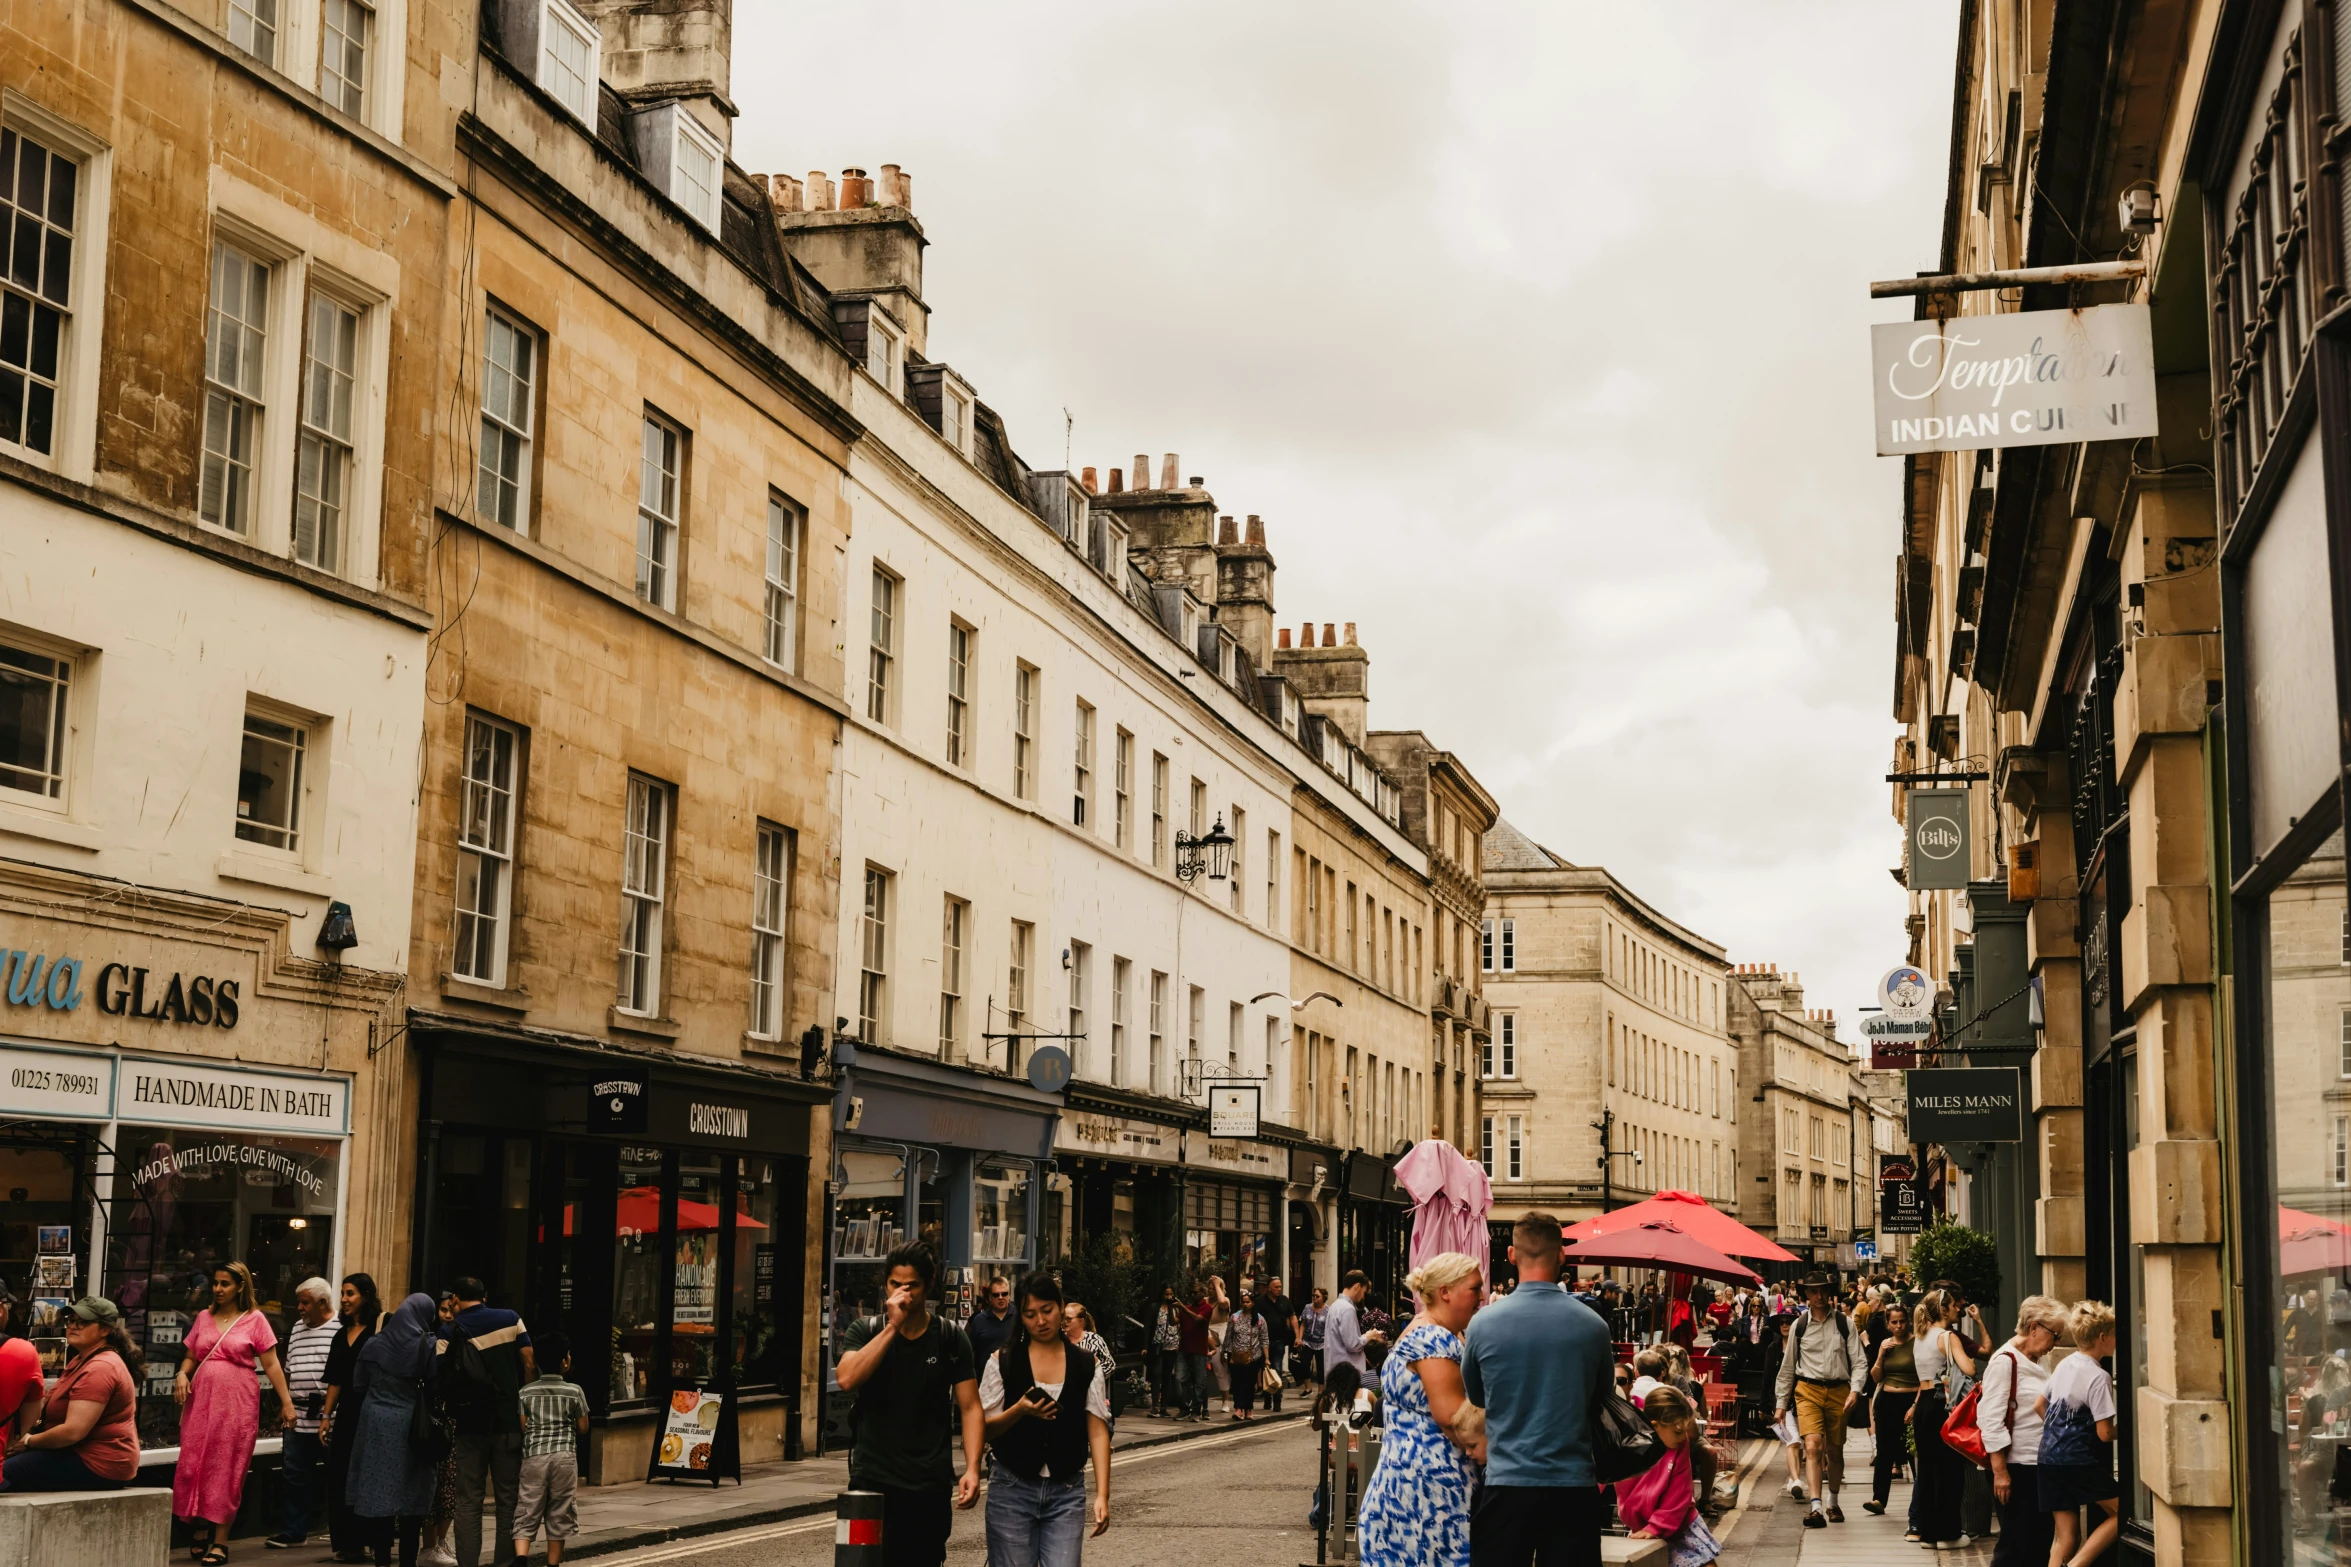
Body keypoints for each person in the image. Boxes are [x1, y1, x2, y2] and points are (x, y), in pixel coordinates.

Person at [1463, 1212, 1613, 1567]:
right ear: (1562, 1255)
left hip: (1507, 1483)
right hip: (1573, 1487)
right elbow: (1602, 1397)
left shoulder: (1482, 1324)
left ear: (1512, 1255)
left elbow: (1478, 1398)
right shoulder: (1594, 1326)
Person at [835, 1242, 984, 1567]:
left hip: (926, 1486)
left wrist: (972, 1468)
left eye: (911, 1285)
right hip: (871, 1482)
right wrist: (892, 1327)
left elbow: (971, 1407)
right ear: (885, 1284)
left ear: (928, 1285)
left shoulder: (949, 1337)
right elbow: (847, 1378)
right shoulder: (866, 1330)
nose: (903, 1292)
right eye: (895, 1284)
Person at [1355, 1251, 1482, 1567]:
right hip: (1434, 1492)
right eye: (1475, 1288)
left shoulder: (1421, 1328)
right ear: (1445, 1292)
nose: (1481, 1297)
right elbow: (1453, 1419)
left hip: (1404, 1481)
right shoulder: (1434, 1339)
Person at [978, 1272, 1111, 1566]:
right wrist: (1020, 1410)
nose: (1040, 1321)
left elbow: (1098, 1430)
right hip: (1011, 1489)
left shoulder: (1086, 1363)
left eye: (1047, 1310)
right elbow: (981, 1431)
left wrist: (1103, 1495)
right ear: (1020, 1317)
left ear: (1061, 1306)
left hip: (1066, 1492)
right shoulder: (1004, 1361)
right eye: (1030, 1314)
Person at [176, 1261, 296, 1564]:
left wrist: (286, 1402)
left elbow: (270, 1364)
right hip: (200, 1400)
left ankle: (220, 1541)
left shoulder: (255, 1320)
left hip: (237, 1402)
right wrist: (181, 1374)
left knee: (226, 1466)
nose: (217, 1289)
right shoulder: (204, 1317)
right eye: (215, 1283)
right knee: (194, 1462)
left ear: (240, 1286)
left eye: (224, 1284)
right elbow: (192, 1356)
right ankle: (199, 1524)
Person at [440, 1277, 533, 1567]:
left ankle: (468, 1563)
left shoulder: (448, 1331)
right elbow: (529, 1361)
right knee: (508, 1498)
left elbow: (439, 1377)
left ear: (455, 1298)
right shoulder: (511, 1319)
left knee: (468, 1499)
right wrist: (524, 1407)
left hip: (468, 1424)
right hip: (507, 1421)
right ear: (485, 1296)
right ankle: (504, 1563)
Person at [347, 1294, 445, 1567]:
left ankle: (381, 1561)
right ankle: (407, 1562)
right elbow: (436, 1384)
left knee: (380, 1495)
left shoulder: (373, 1344)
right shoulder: (427, 1346)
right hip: (413, 1425)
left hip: (376, 1423)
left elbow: (357, 1384)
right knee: (412, 1496)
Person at [4, 1296, 138, 1491]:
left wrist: (29, 1442)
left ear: (105, 1330)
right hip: (76, 1452)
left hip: (99, 1463)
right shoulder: (82, 1359)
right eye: (71, 1321)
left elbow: (72, 1432)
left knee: (4, 1472)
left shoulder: (101, 1367)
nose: (74, 1326)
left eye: (83, 1322)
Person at [1771, 1271, 1864, 1530]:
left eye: (1823, 1290)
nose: (1819, 1296)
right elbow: (1788, 1367)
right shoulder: (1800, 1325)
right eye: (1813, 1291)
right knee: (1812, 1446)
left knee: (1834, 1450)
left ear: (1830, 1291)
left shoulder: (1845, 1324)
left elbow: (1859, 1362)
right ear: (1806, 1295)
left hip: (1839, 1392)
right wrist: (1780, 1404)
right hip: (1807, 1391)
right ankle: (1816, 1507)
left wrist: (1855, 1391)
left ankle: (1833, 1502)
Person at [1980, 1295, 2067, 1567]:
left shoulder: (2036, 1361)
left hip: (2036, 1464)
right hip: (2015, 1467)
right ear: (2034, 1328)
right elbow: (1990, 1419)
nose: (2055, 1344)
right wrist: (2000, 1473)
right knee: (2015, 1548)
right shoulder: (2005, 1361)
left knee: (2037, 1545)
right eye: (2055, 1335)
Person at [2038, 1301, 2120, 1567]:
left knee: (2066, 1537)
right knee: (2124, 1513)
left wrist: (2059, 1429)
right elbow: (2105, 1433)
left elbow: (2039, 1404)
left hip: (2048, 1458)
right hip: (2076, 1460)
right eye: (2115, 1334)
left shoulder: (2066, 1363)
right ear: (2102, 1337)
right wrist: (2128, 1431)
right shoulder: (2098, 1376)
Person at [272, 1277, 342, 1548]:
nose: (299, 1307)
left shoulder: (340, 1328)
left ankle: (341, 1534)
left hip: (330, 1416)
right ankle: (293, 1530)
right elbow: (289, 1370)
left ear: (322, 1302)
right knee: (294, 1475)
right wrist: (284, 1404)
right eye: (299, 1301)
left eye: (305, 1302)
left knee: (336, 1476)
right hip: (298, 1414)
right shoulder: (297, 1329)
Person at [1614, 1388, 1719, 1566]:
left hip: (1681, 1521)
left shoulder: (1680, 1444)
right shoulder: (1627, 1444)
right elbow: (1604, 1476)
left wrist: (1656, 1526)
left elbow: (1680, 1492)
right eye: (1677, 1431)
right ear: (1655, 1425)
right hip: (1642, 1523)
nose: (1682, 1436)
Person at [320, 1275, 384, 1564]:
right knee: (340, 1475)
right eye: (343, 1294)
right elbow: (335, 1380)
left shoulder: (379, 1331)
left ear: (366, 1296)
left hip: (372, 1411)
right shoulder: (339, 1334)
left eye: (350, 1293)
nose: (344, 1299)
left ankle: (370, 1539)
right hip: (346, 1414)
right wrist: (326, 1416)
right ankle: (347, 1543)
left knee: (368, 1476)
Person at [511, 1332, 589, 1567]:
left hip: (534, 1456)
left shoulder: (525, 1393)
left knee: (528, 1505)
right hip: (564, 1457)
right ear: (565, 1361)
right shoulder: (575, 1391)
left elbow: (524, 1427)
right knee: (559, 1508)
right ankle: (552, 1564)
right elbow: (583, 1427)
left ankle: (521, 1558)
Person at [1909, 1289, 1977, 1548]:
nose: (1958, 1310)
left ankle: (1928, 1534)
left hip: (1924, 1405)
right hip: (1943, 1406)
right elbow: (1969, 1368)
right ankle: (1948, 1535)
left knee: (1926, 1470)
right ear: (1944, 1309)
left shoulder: (1920, 1336)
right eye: (1954, 1306)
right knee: (1949, 1470)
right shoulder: (1948, 1337)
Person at [1862, 1300, 1920, 1516]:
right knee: (1885, 1452)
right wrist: (1880, 1354)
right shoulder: (1885, 1344)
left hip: (1911, 1400)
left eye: (1902, 1321)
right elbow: (1876, 1377)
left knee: (1913, 1452)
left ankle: (1920, 1499)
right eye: (1894, 1322)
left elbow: (1925, 1378)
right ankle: (1879, 1499)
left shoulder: (1917, 1343)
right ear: (1888, 1324)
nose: (1899, 1326)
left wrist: (1915, 1405)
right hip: (1887, 1401)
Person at [1326, 1271, 1385, 1383]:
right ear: (1357, 1286)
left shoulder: (1335, 1305)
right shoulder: (1347, 1309)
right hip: (1346, 1372)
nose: (1363, 1297)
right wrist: (1368, 1337)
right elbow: (1353, 1344)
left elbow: (1347, 1340)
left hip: (1336, 1368)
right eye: (1363, 1291)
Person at [1224, 1291, 1270, 1422]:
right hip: (1236, 1357)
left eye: (1248, 1302)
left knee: (1249, 1384)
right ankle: (1238, 1409)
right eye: (1243, 1302)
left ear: (1253, 1303)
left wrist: (1266, 1358)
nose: (1245, 1304)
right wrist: (1225, 1353)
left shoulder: (1259, 1319)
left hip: (1253, 1357)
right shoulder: (1234, 1317)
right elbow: (1228, 1336)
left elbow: (1264, 1339)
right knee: (1237, 1383)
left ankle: (1248, 1409)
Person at [1175, 1282, 1214, 1420]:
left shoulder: (1207, 1308)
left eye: (1195, 1292)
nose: (1192, 1295)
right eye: (1191, 1292)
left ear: (1203, 1293)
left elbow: (1198, 1319)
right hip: (1184, 1349)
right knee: (1178, 1379)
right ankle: (1184, 1408)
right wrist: (1170, 1308)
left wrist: (1182, 1308)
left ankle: (1196, 1411)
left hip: (1199, 1350)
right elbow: (1173, 1322)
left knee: (1199, 1383)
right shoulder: (1187, 1308)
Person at [1261, 1278, 1296, 1412]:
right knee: (1265, 1370)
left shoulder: (1284, 1301)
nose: (1279, 1289)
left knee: (1277, 1370)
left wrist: (1297, 1336)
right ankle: (1267, 1398)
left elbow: (1292, 1317)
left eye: (1280, 1286)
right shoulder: (1260, 1302)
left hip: (1279, 1341)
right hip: (1263, 1342)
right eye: (1276, 1287)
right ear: (1269, 1288)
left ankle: (1277, 1402)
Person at [1148, 1286, 1184, 1415]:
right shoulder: (1155, 1307)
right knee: (1156, 1374)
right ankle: (1154, 1406)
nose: (1169, 1297)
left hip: (1172, 1345)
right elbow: (1149, 1327)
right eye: (1166, 1294)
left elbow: (1180, 1323)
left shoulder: (1176, 1308)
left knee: (1167, 1377)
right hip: (1158, 1345)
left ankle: (1164, 1407)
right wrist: (1144, 1347)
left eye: (1171, 1294)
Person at [968, 1276, 1016, 1365]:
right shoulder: (979, 1321)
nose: (1000, 1297)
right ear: (990, 1297)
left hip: (1015, 1376)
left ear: (1009, 1295)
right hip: (986, 1376)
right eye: (996, 1295)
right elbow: (970, 1352)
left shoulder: (1019, 1317)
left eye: (1004, 1294)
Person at [1299, 1287, 1329, 1383]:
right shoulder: (1307, 1307)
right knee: (1304, 1363)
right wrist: (1299, 1338)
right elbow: (1303, 1324)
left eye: (1317, 1296)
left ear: (1323, 1298)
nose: (1315, 1298)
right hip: (1307, 1341)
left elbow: (1329, 1328)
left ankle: (1320, 1390)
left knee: (1321, 1367)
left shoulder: (1328, 1310)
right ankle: (1308, 1388)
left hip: (1321, 1342)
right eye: (1313, 1295)